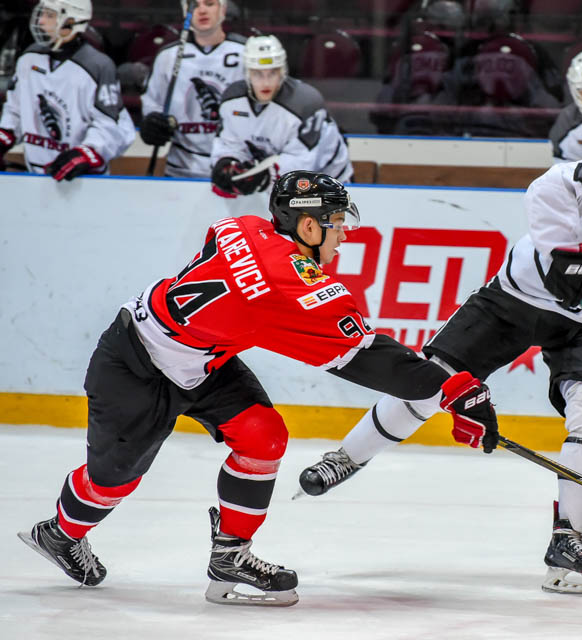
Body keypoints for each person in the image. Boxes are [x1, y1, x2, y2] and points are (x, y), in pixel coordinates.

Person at [18, 171, 500, 607]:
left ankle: (230, 555)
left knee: (264, 436)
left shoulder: (246, 225)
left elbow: (224, 260)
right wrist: (454, 389)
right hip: (132, 365)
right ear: (308, 227)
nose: (343, 234)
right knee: (112, 481)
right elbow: (368, 357)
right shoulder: (290, 286)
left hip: (203, 359)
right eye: (335, 222)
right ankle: (60, 533)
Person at [299, 116, 582, 595]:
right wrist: (564, 252)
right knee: (433, 382)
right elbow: (551, 186)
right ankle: (347, 457)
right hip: (517, 297)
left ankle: (571, 542)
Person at [0, 0, 135, 178]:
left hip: (84, 182)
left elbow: (111, 124)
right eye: (42, 14)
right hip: (33, 176)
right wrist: (5, 135)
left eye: (49, 15)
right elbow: (16, 109)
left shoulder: (98, 66)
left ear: (71, 21)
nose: (40, 21)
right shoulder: (29, 58)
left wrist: (85, 154)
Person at [209, 34, 352, 199]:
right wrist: (226, 162)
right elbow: (230, 143)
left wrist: (265, 177)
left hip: (329, 182)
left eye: (273, 73)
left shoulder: (306, 103)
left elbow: (304, 161)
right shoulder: (232, 100)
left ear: (283, 71)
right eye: (258, 74)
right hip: (274, 184)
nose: (266, 82)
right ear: (247, 73)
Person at [139, 0, 246, 178]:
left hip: (233, 168)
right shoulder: (168, 56)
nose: (202, 10)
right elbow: (153, 103)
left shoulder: (245, 53)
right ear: (185, 13)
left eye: (209, 4)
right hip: (180, 168)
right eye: (194, 6)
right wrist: (152, 122)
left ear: (223, 10)